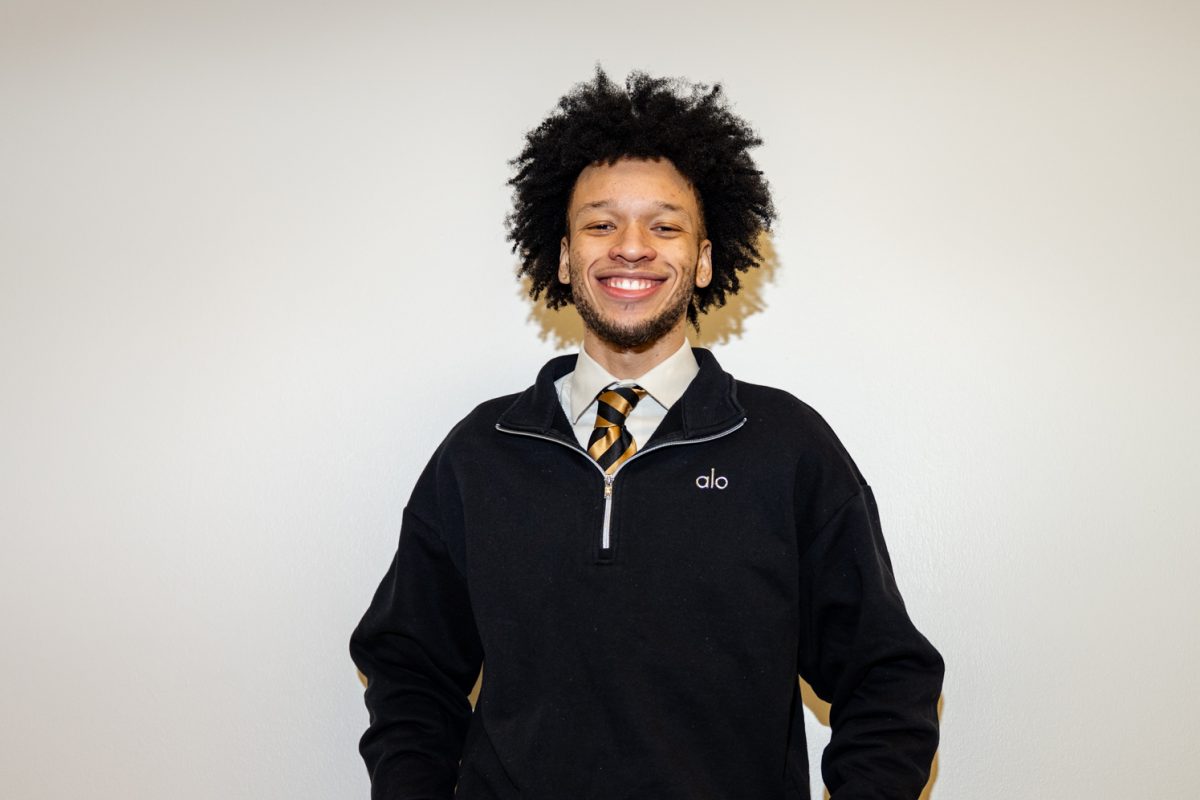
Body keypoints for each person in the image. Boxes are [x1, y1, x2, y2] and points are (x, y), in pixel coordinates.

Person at [350, 69, 944, 800]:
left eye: (664, 226)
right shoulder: (480, 453)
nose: (631, 248)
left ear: (703, 260)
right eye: (601, 224)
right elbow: (409, 670)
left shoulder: (787, 449)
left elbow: (888, 678)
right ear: (565, 256)